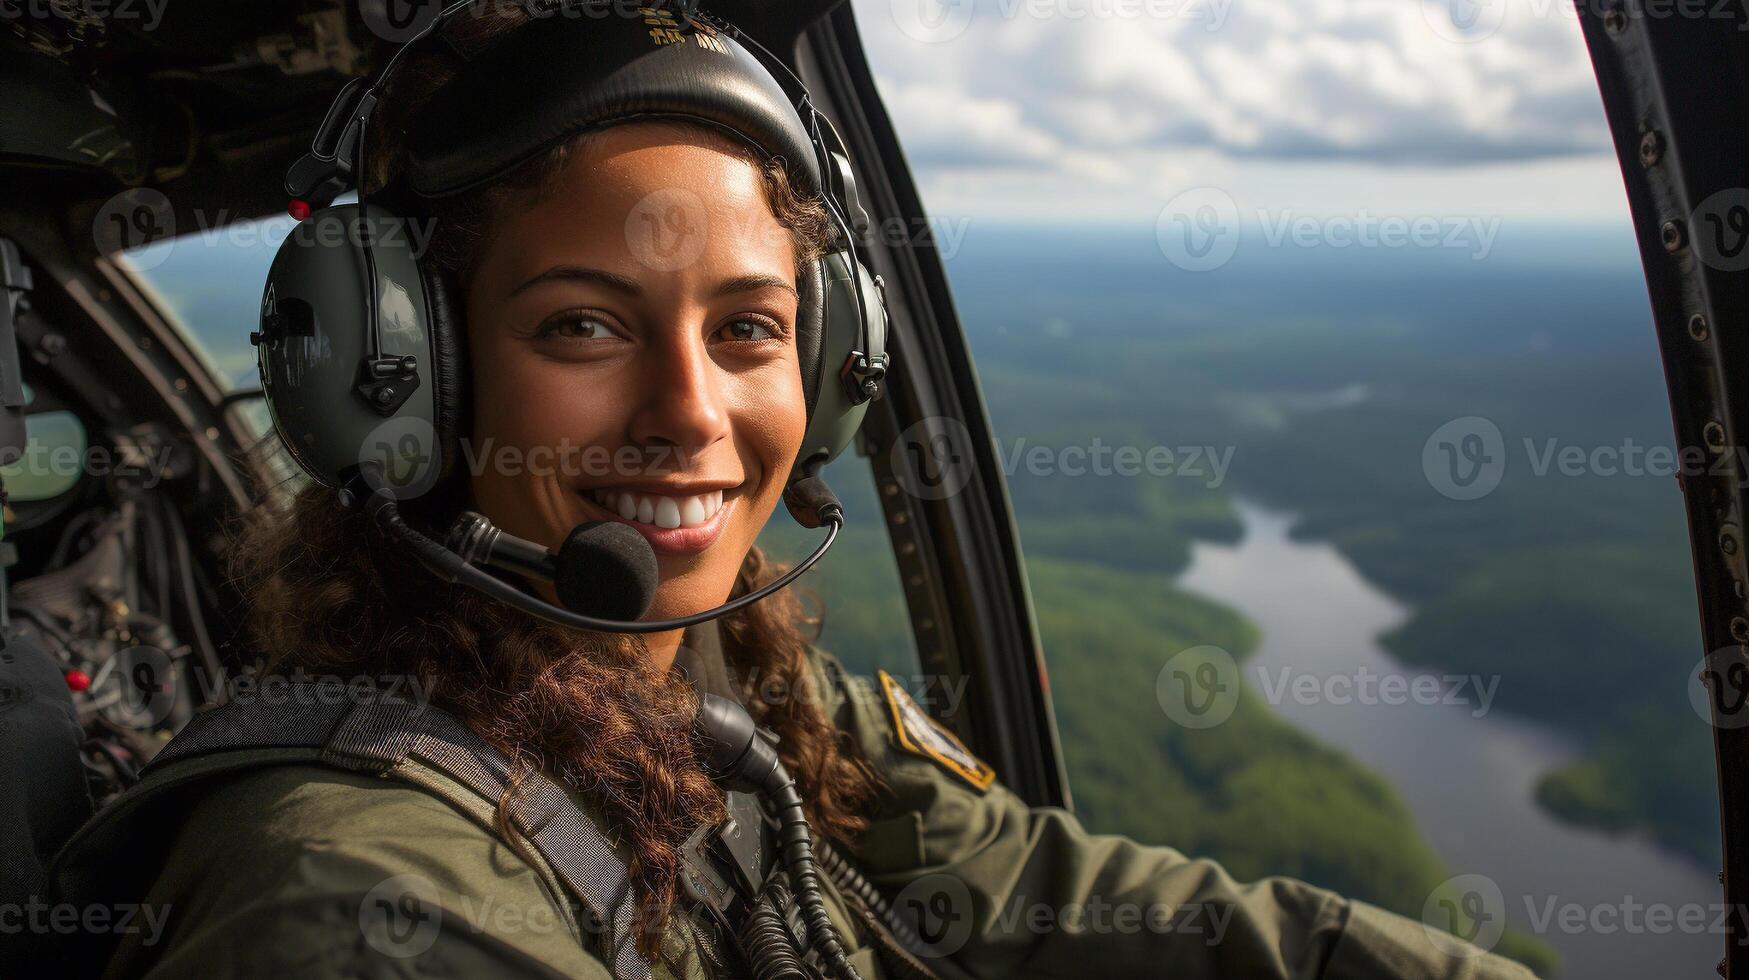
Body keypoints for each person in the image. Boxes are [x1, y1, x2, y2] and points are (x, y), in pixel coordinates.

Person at [47, 5, 1536, 978]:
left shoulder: (708, 691)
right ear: (400, 377)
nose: (692, 412)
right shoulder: (355, 901)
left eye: (749, 329)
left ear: (828, 369)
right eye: (582, 323)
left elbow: (1043, 891)